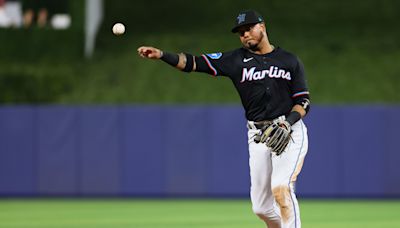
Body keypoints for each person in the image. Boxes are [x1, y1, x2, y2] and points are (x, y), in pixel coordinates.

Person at [138, 10, 310, 228]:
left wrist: (287, 122)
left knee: (281, 187)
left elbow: (303, 100)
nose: (245, 34)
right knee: (261, 208)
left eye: (248, 28)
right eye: (240, 32)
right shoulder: (236, 60)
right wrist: (162, 55)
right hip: (258, 135)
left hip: (289, 131)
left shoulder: (289, 60)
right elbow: (193, 63)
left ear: (262, 27)